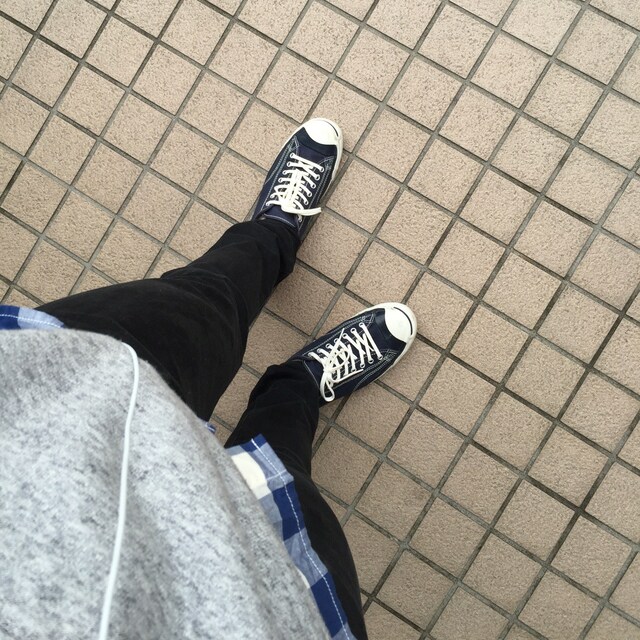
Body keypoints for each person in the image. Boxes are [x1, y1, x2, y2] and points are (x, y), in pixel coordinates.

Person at [0, 119, 417, 640]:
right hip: (245, 610)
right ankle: (301, 383)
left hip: (47, 412)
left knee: (199, 308)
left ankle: (273, 233)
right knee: (281, 469)